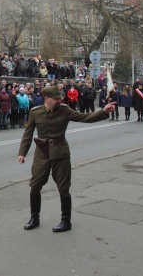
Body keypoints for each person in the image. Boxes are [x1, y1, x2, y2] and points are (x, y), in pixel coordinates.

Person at [18, 86, 116, 232]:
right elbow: (28, 134)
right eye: (56, 98)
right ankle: (34, 218)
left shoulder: (64, 110)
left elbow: (84, 117)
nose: (59, 100)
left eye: (59, 98)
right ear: (46, 98)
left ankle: (66, 221)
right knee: (35, 186)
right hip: (41, 154)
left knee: (63, 187)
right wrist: (22, 153)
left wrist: (103, 112)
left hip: (60, 153)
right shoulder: (35, 112)